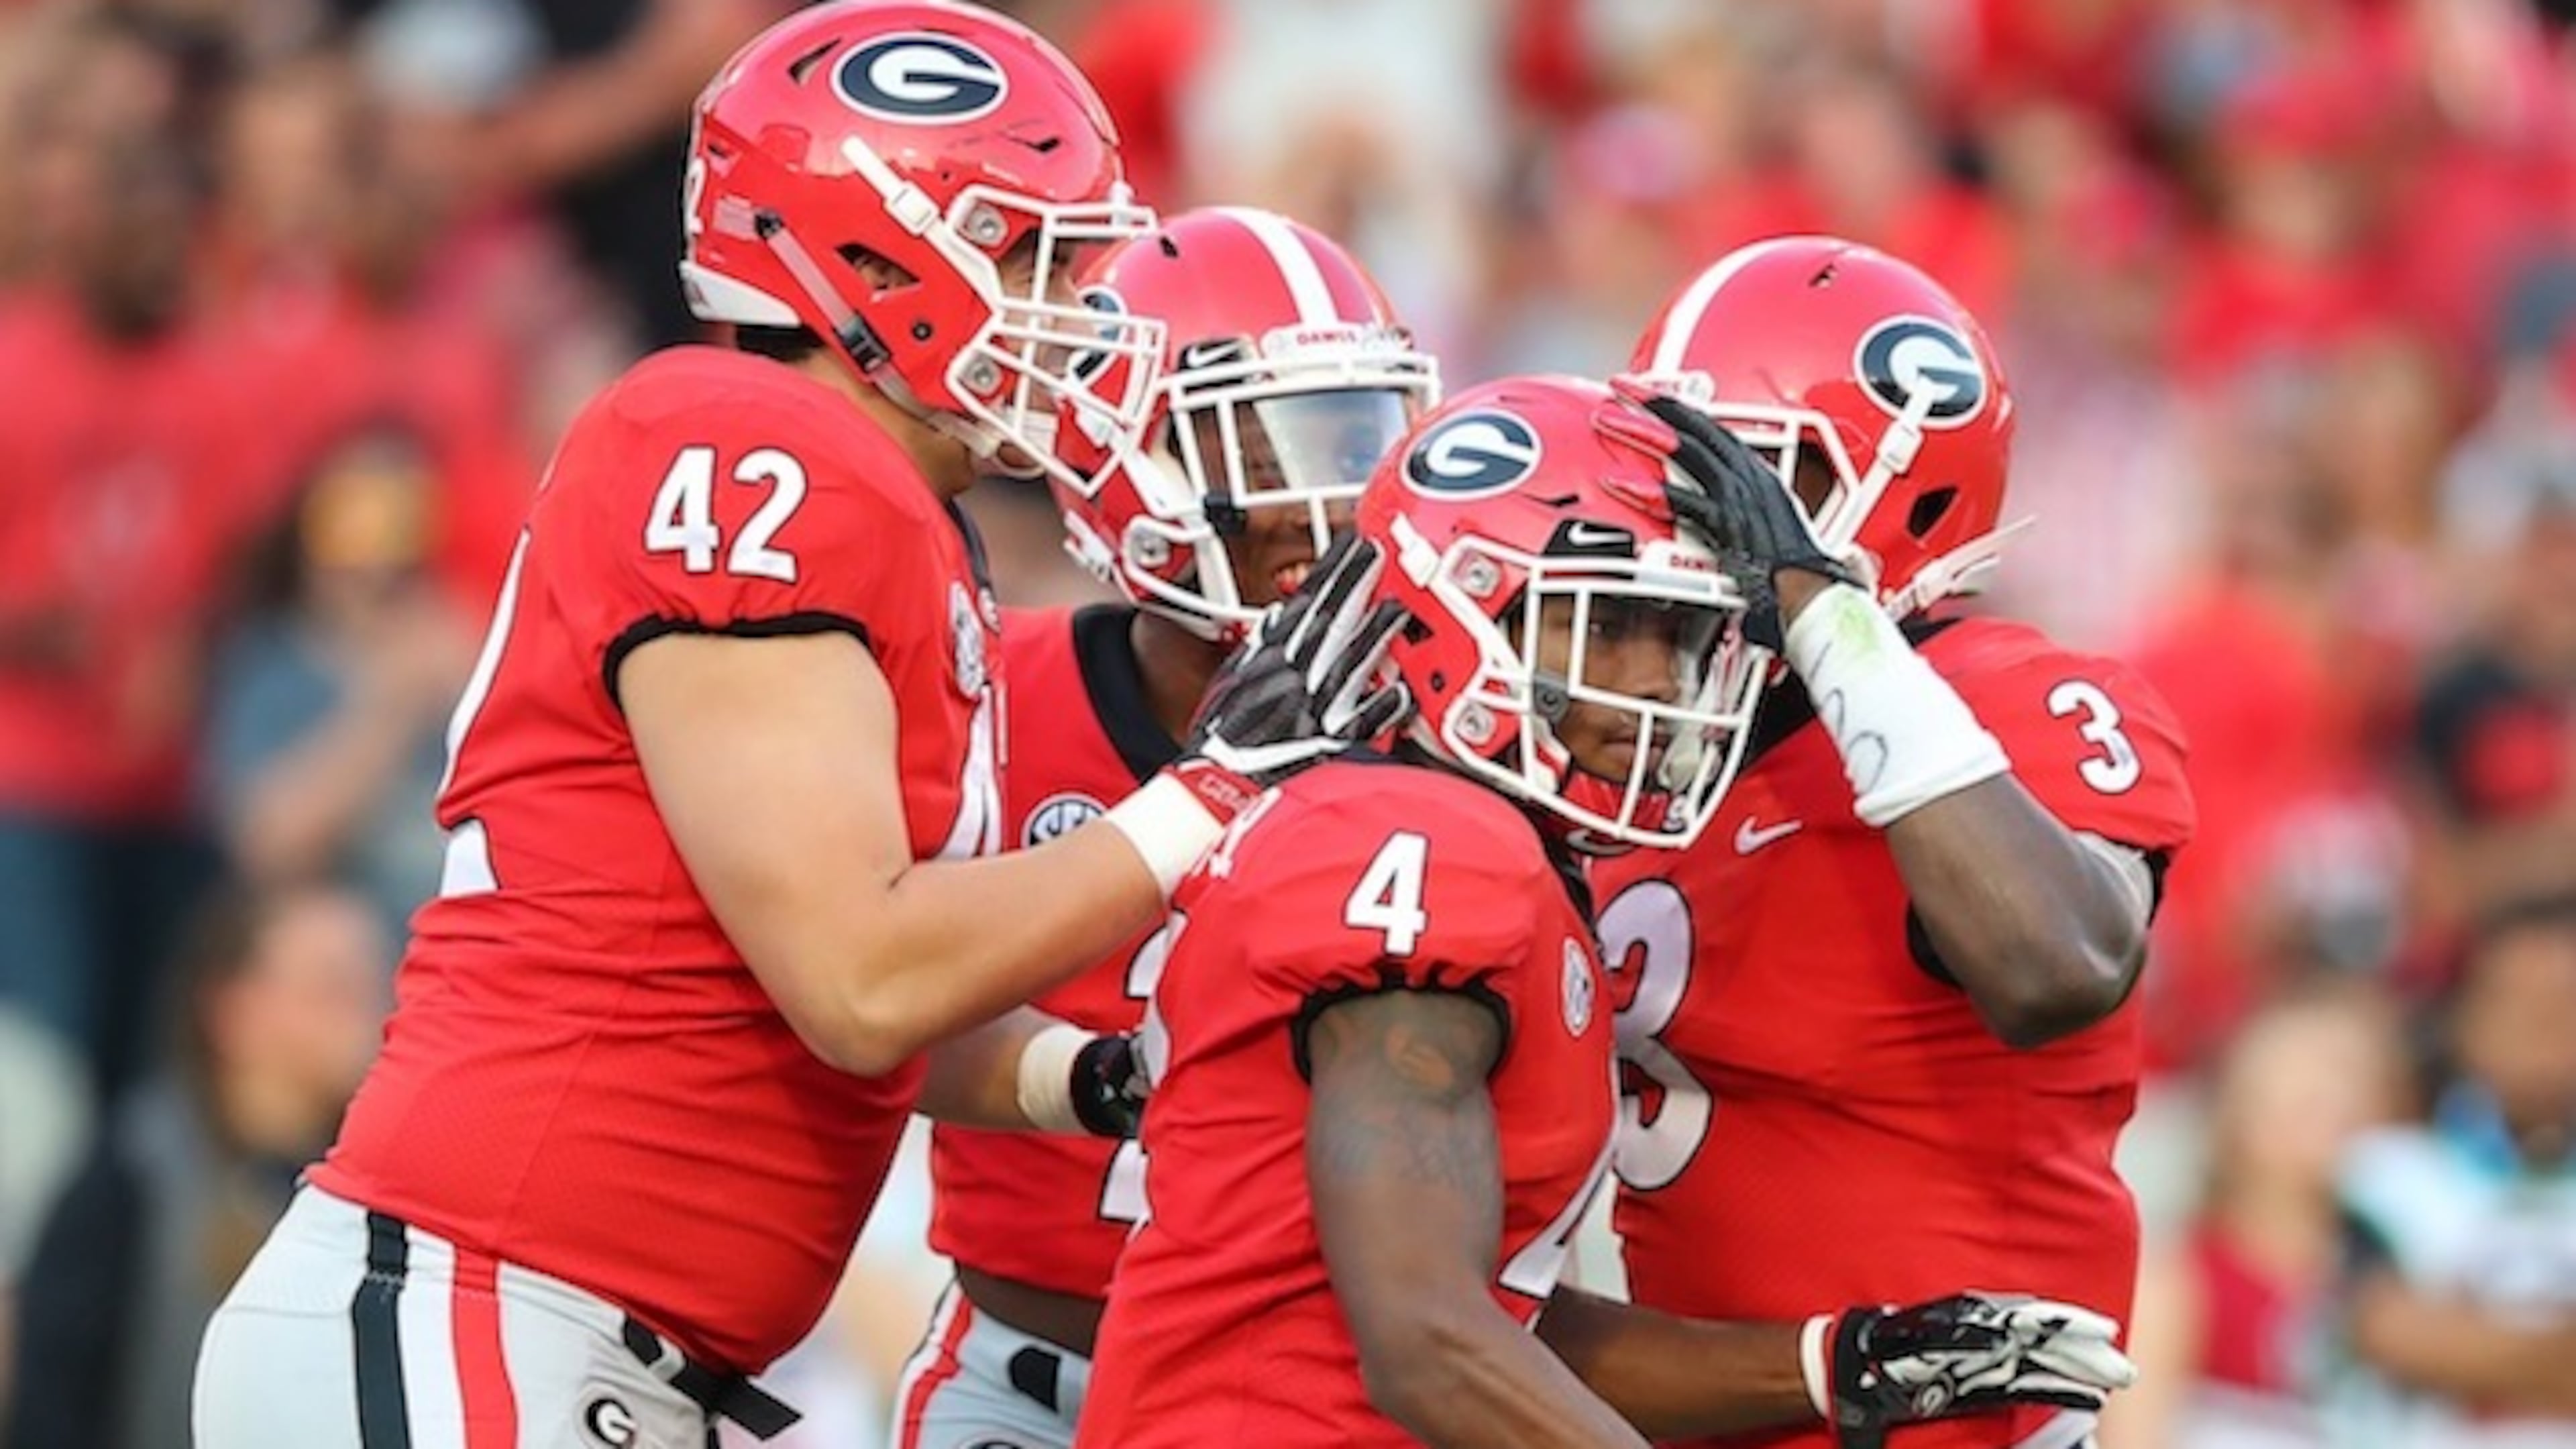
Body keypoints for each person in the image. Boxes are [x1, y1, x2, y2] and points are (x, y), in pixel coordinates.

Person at [192, 6, 1403, 1446]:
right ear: (875, 266)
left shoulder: (902, 518)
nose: (1083, 309)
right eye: (1035, 256)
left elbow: (832, 1018)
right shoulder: (747, 443)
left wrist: (1103, 1074)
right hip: (495, 1298)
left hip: (595, 1344)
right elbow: (860, 980)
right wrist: (1210, 796)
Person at [1075, 374, 2139, 1449]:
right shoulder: (1430, 849)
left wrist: (1838, 1362)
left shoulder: (1467, 842)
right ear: (1464, 609)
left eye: (1680, 637)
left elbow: (1499, 1314)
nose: (1654, 683)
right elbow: (1426, 1344)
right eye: (1606, 628)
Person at [1593, 234, 2198, 1449]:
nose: (1695, 521)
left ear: (1903, 493)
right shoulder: (1623, 730)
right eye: (1679, 472)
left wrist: (1826, 616)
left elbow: (2060, 967)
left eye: (1753, 482)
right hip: (1704, 1403)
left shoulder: (2017, 694)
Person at [896, 204, 1438, 1449]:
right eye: (1277, 449)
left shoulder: (1447, 732)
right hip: (1026, 1377)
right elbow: (865, 1009)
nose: (1333, 506)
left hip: (1321, 1400)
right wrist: (1093, 1081)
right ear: (1123, 461)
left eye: (1363, 440)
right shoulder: (984, 686)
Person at [8, 884, 388, 1449]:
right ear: (235, 1010)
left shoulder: (380, 1192)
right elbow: (55, 1398)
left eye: (376, 987)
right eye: (333, 989)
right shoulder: (136, 1176)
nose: (372, 1017)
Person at [2330, 896, 2576, 1443]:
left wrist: (2473, 1346)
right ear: (2463, 1021)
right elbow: (2387, 1332)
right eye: (2518, 1004)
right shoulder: (2389, 1174)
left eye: (2565, 1006)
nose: (2545, 1032)